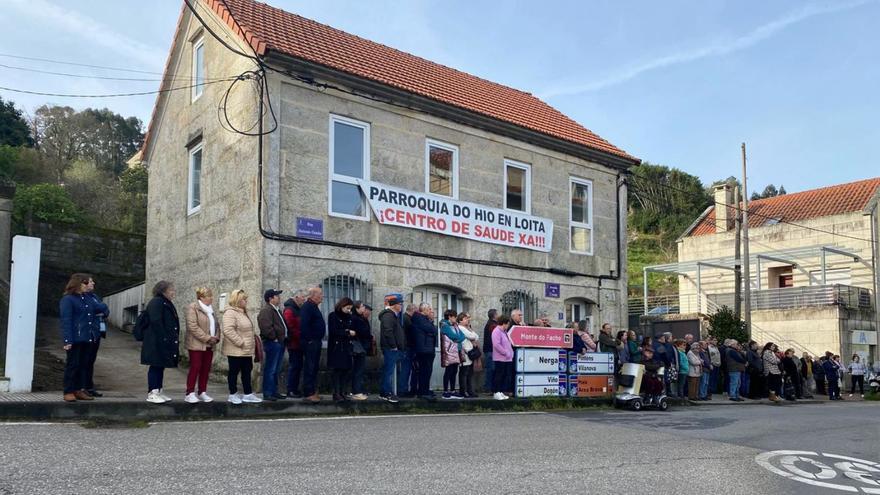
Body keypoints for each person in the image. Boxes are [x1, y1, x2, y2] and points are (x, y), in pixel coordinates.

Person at [59, 273, 106, 402]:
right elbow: (66, 321)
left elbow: (101, 308)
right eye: (85, 283)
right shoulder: (68, 299)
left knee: (83, 364)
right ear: (78, 283)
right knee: (73, 364)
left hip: (87, 337)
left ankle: (79, 389)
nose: (88, 285)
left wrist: (102, 308)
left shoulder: (88, 298)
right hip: (76, 337)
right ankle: (68, 390)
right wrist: (67, 340)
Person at [142, 281, 180, 404]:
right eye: (171, 290)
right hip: (155, 341)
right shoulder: (157, 302)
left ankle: (158, 390)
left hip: (162, 340)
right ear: (163, 291)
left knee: (160, 366)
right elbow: (156, 321)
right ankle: (152, 392)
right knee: (155, 366)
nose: (173, 292)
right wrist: (164, 338)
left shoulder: (165, 302)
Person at [222, 289, 262, 404]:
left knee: (247, 371)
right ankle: (233, 394)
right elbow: (228, 330)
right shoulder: (230, 312)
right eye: (244, 299)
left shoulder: (243, 312)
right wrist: (241, 342)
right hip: (236, 349)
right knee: (234, 372)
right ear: (238, 300)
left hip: (246, 350)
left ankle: (248, 394)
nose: (246, 301)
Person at [183, 287, 220, 403]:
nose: (211, 298)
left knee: (206, 368)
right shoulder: (193, 308)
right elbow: (192, 327)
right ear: (202, 297)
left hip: (210, 344)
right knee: (195, 367)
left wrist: (216, 337)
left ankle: (202, 391)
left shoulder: (210, 309)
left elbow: (216, 325)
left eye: (211, 295)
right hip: (196, 344)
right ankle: (189, 393)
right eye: (209, 296)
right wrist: (208, 338)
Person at [257, 289, 287, 402]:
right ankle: (268, 392)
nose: (279, 298)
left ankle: (274, 391)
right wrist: (274, 338)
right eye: (277, 296)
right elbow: (265, 327)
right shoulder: (266, 310)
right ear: (270, 298)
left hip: (279, 342)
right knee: (270, 369)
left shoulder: (276, 310)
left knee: (276, 369)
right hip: (273, 343)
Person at [82, 277, 109, 398]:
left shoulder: (94, 296)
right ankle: (83, 388)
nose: (93, 283)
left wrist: (101, 308)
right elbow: (99, 308)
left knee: (91, 362)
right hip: (87, 334)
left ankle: (89, 387)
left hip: (96, 333)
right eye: (91, 281)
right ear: (84, 283)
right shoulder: (83, 297)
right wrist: (100, 308)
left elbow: (105, 310)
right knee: (85, 362)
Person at [299, 287, 326, 403]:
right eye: (320, 294)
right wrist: (309, 340)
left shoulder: (313, 306)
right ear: (313, 295)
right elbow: (304, 325)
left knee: (314, 367)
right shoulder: (307, 307)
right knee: (310, 367)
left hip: (316, 341)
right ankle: (309, 392)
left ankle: (313, 391)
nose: (322, 296)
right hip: (311, 342)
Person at [327, 297, 355, 402]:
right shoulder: (333, 316)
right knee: (337, 371)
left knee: (346, 370)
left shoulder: (349, 317)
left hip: (347, 347)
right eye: (347, 308)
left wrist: (349, 332)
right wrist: (347, 332)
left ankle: (343, 392)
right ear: (342, 306)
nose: (349, 310)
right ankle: (336, 393)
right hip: (337, 347)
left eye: (350, 309)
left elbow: (353, 328)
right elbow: (334, 331)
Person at [378, 295, 405, 403]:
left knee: (389, 371)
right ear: (394, 305)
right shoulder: (388, 315)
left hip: (393, 348)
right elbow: (388, 331)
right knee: (388, 371)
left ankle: (386, 392)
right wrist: (393, 345)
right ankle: (386, 393)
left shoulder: (393, 315)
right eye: (400, 304)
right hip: (390, 348)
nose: (401, 306)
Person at [412, 303, 438, 400]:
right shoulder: (419, 318)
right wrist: (431, 330)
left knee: (427, 371)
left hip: (427, 349)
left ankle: (425, 390)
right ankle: (423, 392)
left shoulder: (425, 319)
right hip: (423, 349)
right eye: (429, 309)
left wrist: (431, 330)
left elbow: (433, 331)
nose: (431, 311)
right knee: (424, 371)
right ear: (424, 310)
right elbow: (432, 329)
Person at [282, 290, 305, 398]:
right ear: (296, 297)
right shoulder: (289, 310)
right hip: (294, 344)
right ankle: (291, 389)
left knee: (297, 367)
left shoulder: (296, 309)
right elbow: (291, 328)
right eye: (302, 297)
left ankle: (294, 389)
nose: (304, 299)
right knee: (294, 367)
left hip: (298, 343)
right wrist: (301, 337)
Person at [350, 302, 372, 401]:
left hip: (362, 346)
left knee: (359, 369)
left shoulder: (360, 318)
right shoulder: (356, 319)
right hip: (359, 346)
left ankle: (358, 390)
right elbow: (363, 332)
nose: (364, 308)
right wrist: (369, 336)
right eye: (362, 306)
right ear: (357, 308)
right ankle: (356, 391)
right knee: (358, 369)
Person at [440, 310, 465, 399]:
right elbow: (454, 336)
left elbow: (462, 336)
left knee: (454, 371)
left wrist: (458, 339)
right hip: (449, 351)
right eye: (454, 317)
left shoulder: (455, 325)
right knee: (449, 371)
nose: (456, 318)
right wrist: (458, 338)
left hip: (457, 350)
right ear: (450, 317)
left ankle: (453, 390)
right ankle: (446, 391)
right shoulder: (445, 326)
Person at [491, 315, 514, 400]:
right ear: (504, 323)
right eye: (507, 324)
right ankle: (496, 392)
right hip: (500, 358)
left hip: (506, 359)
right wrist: (505, 353)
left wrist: (510, 353)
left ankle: (500, 391)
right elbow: (496, 345)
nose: (508, 326)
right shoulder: (496, 331)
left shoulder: (504, 332)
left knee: (504, 375)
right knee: (499, 375)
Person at [457, 312, 479, 398]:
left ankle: (470, 391)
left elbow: (476, 336)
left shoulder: (467, 328)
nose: (468, 320)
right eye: (466, 318)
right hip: (465, 354)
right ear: (460, 320)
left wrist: (470, 330)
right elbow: (472, 336)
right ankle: (463, 391)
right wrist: (471, 333)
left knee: (469, 374)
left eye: (468, 318)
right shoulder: (460, 328)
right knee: (464, 373)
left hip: (470, 354)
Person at [401, 303, 418, 398]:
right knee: (405, 369)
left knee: (406, 369)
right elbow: (411, 333)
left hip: (407, 346)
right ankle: (403, 390)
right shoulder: (407, 319)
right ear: (413, 310)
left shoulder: (405, 318)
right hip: (407, 347)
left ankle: (404, 389)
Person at [482, 309, 499, 394]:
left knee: (491, 369)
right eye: (497, 314)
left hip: (490, 350)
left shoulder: (491, 323)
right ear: (495, 315)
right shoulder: (492, 325)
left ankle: (490, 388)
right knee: (491, 370)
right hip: (491, 350)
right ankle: (488, 388)